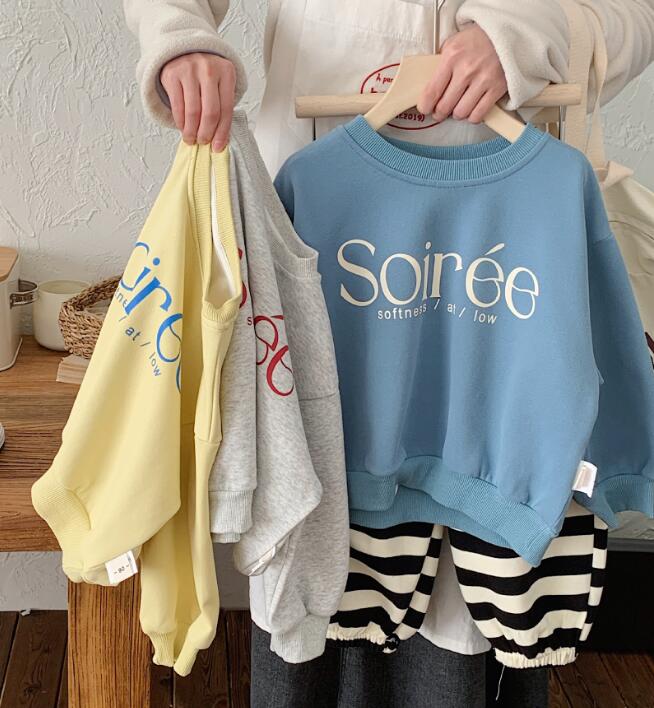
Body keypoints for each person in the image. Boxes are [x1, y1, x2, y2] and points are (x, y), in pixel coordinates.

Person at [123, 2, 654, 706]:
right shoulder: (311, 182)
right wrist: (179, 37)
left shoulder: (561, 188)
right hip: (327, 209)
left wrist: (531, 35)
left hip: (509, 252)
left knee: (460, 645)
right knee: (313, 595)